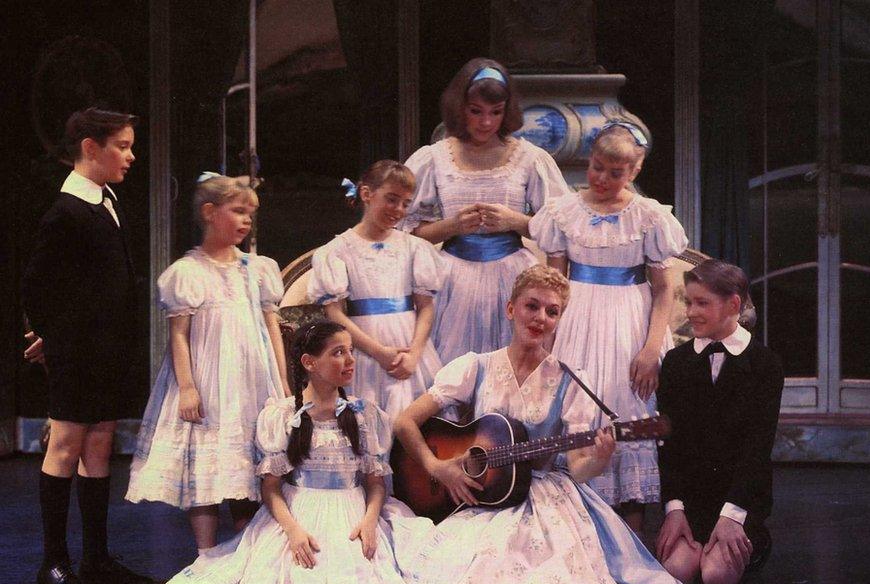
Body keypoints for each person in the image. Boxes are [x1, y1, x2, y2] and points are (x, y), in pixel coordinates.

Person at [391, 266, 711, 584]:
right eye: (532, 306)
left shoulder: (569, 379)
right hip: (482, 493)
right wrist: (437, 467)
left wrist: (600, 458)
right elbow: (405, 421)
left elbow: (579, 468)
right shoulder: (475, 367)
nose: (540, 318)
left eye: (552, 311)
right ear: (511, 309)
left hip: (545, 492)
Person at [147, 322, 428, 584]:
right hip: (299, 511)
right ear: (309, 363)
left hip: (353, 512)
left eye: (350, 351)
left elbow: (375, 482)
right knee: (298, 576)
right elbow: (271, 488)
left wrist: (370, 520)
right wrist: (293, 530)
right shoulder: (282, 416)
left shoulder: (364, 414)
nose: (349, 360)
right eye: (338, 353)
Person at [530, 122, 688, 541]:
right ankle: (578, 536)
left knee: (626, 413)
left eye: (615, 173)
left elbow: (664, 289)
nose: (602, 179)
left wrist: (652, 349)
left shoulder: (649, 217)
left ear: (633, 172)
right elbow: (553, 284)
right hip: (577, 323)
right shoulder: (564, 212)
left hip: (628, 327)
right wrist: (546, 343)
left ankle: (629, 541)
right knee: (577, 416)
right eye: (597, 168)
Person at [23, 107, 154, 584]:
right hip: (79, 352)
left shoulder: (105, 199)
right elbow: (37, 283)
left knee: (99, 447)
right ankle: (53, 562)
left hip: (106, 350)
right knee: (65, 447)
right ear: (90, 148)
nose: (131, 155)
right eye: (122, 145)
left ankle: (96, 558)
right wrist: (50, 337)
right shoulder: (66, 209)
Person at [125, 173, 289, 556]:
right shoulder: (188, 273)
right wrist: (187, 387)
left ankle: (249, 553)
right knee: (208, 465)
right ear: (210, 213)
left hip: (251, 380)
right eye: (238, 211)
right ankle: (206, 554)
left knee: (251, 464)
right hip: (209, 378)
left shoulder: (258, 268)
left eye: (251, 213)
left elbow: (272, 328)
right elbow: (179, 336)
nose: (247, 220)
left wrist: (282, 384)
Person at [402, 57, 570, 365]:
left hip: (513, 276)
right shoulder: (434, 158)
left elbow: (561, 229)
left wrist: (516, 221)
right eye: (475, 111)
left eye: (496, 112)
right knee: (451, 372)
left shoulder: (530, 158)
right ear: (460, 107)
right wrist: (451, 226)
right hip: (452, 278)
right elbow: (406, 234)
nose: (486, 122)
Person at [654, 259, 784, 584]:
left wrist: (732, 516)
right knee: (677, 572)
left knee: (716, 578)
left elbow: (757, 449)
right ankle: (697, 545)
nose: (691, 312)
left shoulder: (764, 364)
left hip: (737, 502)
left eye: (702, 303)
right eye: (688, 302)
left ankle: (750, 543)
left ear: (733, 305)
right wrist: (674, 510)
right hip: (691, 502)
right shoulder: (676, 363)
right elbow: (670, 447)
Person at [308, 161, 445, 419]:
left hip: (409, 347)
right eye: (391, 200)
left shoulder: (414, 248)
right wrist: (379, 353)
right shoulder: (337, 250)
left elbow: (425, 307)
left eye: (405, 203)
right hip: (364, 347)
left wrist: (415, 353)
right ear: (366, 194)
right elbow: (334, 314)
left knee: (414, 420)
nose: (398, 210)